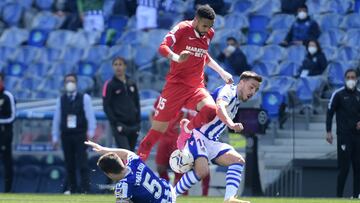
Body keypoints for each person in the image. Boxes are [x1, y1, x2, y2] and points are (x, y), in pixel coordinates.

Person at [137, 5, 233, 161]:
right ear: (195, 20)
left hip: (196, 87)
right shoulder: (182, 28)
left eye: (210, 26)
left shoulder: (209, 33)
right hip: (175, 87)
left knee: (210, 110)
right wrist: (177, 57)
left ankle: (187, 128)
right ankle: (137, 164)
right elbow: (163, 47)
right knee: (157, 131)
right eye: (204, 25)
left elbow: (203, 55)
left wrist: (222, 72)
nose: (207, 29)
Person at [175, 71, 262, 203]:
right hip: (198, 135)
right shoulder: (228, 91)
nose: (253, 92)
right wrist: (231, 124)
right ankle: (171, 194)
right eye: (251, 87)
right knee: (202, 171)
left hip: (211, 141)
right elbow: (219, 108)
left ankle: (229, 199)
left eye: (256, 89)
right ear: (242, 82)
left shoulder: (236, 101)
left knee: (237, 161)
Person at [155, 74, 211, 196]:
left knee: (199, 167)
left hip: (201, 137)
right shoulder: (184, 95)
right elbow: (155, 111)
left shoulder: (209, 99)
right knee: (166, 166)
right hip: (179, 137)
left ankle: (203, 196)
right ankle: (168, 193)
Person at [84, 140, 176, 202]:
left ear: (109, 174)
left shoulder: (124, 185)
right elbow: (127, 153)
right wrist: (104, 150)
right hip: (169, 193)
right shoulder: (135, 162)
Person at [52, 73, 97, 193]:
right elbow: (57, 119)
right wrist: (55, 136)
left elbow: (90, 116)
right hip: (66, 135)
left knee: (83, 163)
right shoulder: (61, 100)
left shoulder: (84, 98)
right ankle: (72, 188)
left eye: (71, 81)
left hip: (80, 134)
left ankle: (85, 189)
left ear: (76, 83)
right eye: (67, 81)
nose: (69, 83)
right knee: (69, 164)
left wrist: (90, 133)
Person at [326, 68, 360, 198]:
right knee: (344, 168)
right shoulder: (338, 94)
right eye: (348, 77)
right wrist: (328, 131)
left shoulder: (359, 95)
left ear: (357, 79)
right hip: (344, 136)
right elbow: (330, 112)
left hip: (357, 137)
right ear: (345, 79)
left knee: (358, 168)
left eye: (353, 77)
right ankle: (338, 197)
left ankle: (356, 196)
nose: (351, 80)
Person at [102, 57, 141, 151]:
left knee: (131, 153)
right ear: (112, 67)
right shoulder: (110, 84)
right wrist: (115, 123)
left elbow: (137, 103)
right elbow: (106, 106)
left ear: (125, 66)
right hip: (119, 125)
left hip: (133, 125)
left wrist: (138, 123)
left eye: (120, 64)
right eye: (115, 64)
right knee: (125, 152)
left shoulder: (131, 83)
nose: (118, 67)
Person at [0, 72, 15, 193]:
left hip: (4, 135)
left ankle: (8, 190)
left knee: (7, 162)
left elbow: (12, 116)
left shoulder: (7, 96)